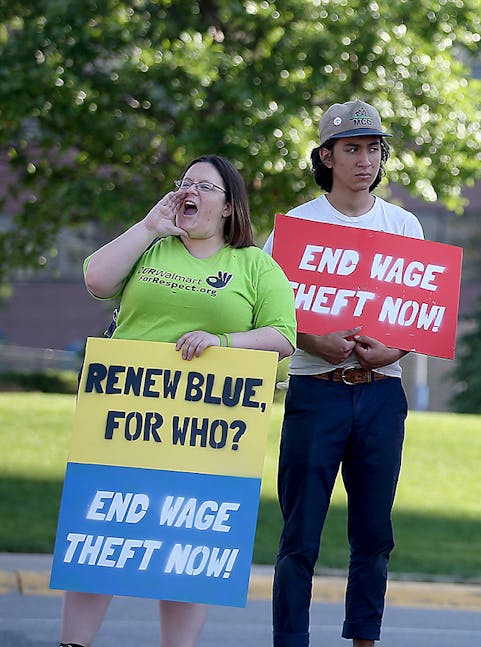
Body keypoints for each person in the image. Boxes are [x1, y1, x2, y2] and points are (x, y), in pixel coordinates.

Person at [62, 154, 297, 647]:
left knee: (186, 545)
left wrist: (224, 343)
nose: (188, 190)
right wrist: (149, 226)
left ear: (229, 206)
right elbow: (97, 281)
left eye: (203, 187)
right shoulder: (152, 247)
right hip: (125, 420)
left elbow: (282, 336)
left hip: (204, 433)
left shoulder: (254, 265)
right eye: (183, 183)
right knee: (101, 537)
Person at [269, 100, 423, 647]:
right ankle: (291, 640)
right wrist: (314, 340)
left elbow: (419, 312)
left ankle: (364, 639)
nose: (364, 160)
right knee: (299, 534)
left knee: (375, 534)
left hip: (381, 395)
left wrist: (394, 351)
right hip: (316, 392)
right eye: (352, 149)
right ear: (326, 157)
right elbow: (270, 315)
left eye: (373, 149)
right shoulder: (296, 228)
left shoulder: (404, 224)